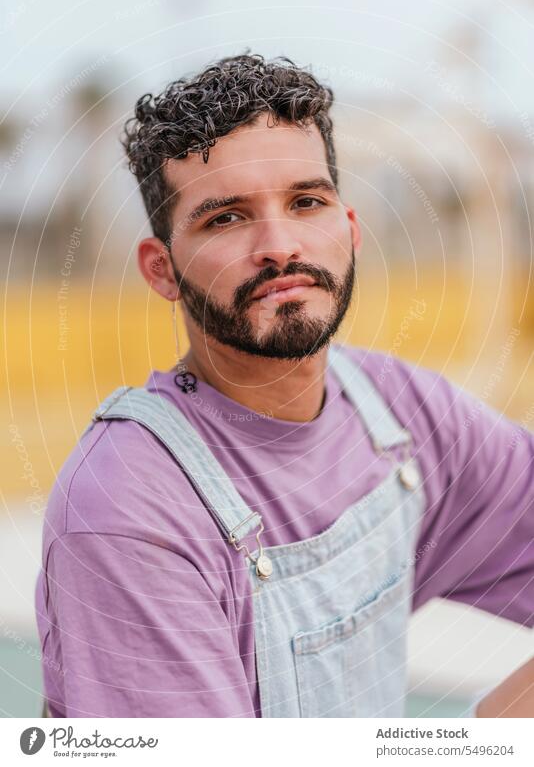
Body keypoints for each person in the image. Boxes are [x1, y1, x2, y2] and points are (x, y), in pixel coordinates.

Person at [35, 53, 533, 718]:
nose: (279, 245)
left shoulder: (403, 416)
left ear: (349, 231)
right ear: (162, 270)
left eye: (306, 202)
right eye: (226, 217)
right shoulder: (127, 512)